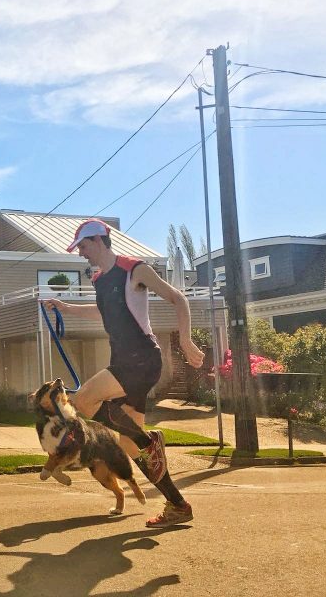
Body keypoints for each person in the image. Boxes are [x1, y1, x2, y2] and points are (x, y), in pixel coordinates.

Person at [43, 219, 205, 528]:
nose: (81, 254)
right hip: (125, 361)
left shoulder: (135, 269)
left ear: (100, 241)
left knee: (83, 400)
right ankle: (178, 504)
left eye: (84, 247)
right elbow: (101, 311)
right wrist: (66, 307)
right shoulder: (100, 280)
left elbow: (178, 298)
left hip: (141, 359)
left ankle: (149, 441)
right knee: (131, 446)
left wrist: (184, 340)